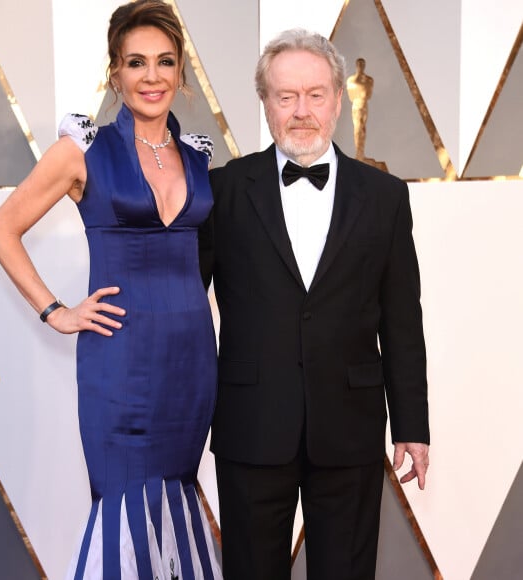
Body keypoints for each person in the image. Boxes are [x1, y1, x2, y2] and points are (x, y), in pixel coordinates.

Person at [0, 1, 221, 578]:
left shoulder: (198, 157)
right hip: (119, 360)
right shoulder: (82, 151)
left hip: (191, 359)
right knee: (122, 499)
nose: (152, 76)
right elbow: (2, 229)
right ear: (114, 72)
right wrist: (55, 311)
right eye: (135, 62)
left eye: (165, 62)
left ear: (181, 71)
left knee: (178, 495)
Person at [201, 29, 430, 579]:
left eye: (315, 94)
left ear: (336, 99)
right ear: (265, 103)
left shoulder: (385, 196)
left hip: (348, 426)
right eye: (286, 97)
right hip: (250, 425)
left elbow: (402, 318)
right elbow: (183, 306)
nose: (301, 111)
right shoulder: (222, 191)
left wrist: (413, 424)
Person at [346, 57, 373, 160]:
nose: (361, 66)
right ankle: (359, 153)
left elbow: (368, 95)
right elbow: (351, 96)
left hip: (364, 105)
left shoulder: (369, 80)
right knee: (358, 127)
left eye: (363, 64)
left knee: (362, 128)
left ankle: (360, 152)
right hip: (357, 105)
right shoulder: (351, 80)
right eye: (359, 64)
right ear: (357, 66)